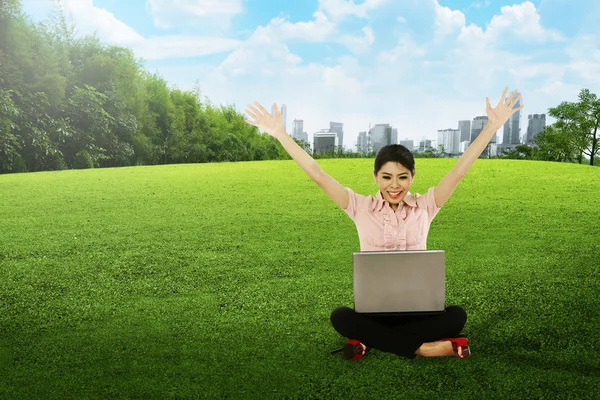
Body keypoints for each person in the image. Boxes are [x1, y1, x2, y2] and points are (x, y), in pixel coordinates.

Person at [244, 87, 523, 361]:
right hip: (375, 310)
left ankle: (368, 340)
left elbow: (460, 169)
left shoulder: (427, 205)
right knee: (340, 316)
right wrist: (280, 133)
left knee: (456, 315)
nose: (394, 185)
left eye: (402, 177)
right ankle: (425, 348)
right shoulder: (359, 207)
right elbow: (318, 174)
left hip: (419, 309)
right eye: (387, 177)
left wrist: (492, 126)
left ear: (412, 177)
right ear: (376, 177)